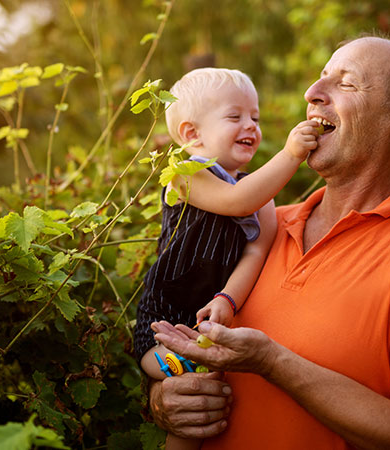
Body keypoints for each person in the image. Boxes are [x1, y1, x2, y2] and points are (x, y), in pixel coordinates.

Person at [148, 36, 390, 450]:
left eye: (345, 84)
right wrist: (164, 402)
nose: (312, 93)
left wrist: (273, 362)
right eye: (320, 77)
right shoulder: (258, 228)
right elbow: (179, 356)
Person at [133, 67, 319, 449]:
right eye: (235, 116)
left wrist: (228, 298)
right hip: (168, 308)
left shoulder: (259, 194)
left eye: (255, 117)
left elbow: (255, 250)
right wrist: (290, 155)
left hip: (209, 315)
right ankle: (167, 365)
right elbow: (237, 202)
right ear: (192, 135)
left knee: (202, 402)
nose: (250, 125)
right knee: (179, 381)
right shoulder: (185, 174)